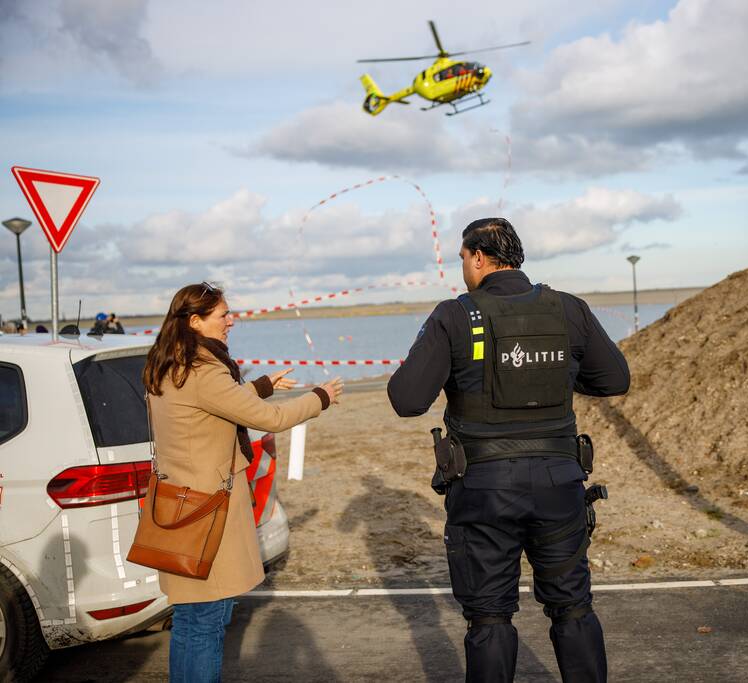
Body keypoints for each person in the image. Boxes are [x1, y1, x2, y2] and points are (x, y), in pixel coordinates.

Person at [387, 218, 630, 682]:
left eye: (461, 258)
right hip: (559, 486)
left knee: (490, 617)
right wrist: (560, 373)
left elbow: (406, 399)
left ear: (478, 257)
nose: (462, 267)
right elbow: (614, 379)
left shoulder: (455, 314)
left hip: (484, 491)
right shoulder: (568, 309)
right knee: (573, 606)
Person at [142, 282, 342, 683]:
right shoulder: (203, 369)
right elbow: (269, 419)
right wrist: (320, 397)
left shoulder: (169, 362)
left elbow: (213, 405)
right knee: (205, 622)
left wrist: (262, 386)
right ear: (195, 322)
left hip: (177, 504)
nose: (231, 320)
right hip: (206, 512)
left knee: (189, 620)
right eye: (223, 315)